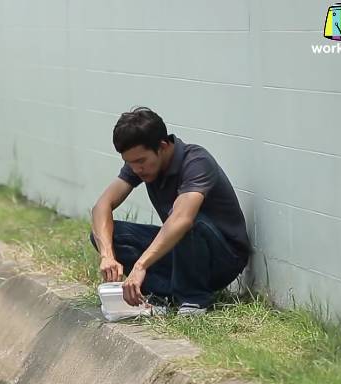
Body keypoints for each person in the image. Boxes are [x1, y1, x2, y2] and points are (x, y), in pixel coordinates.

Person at [89, 107, 250, 315]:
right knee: (108, 235)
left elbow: (182, 219)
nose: (136, 169)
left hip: (222, 258)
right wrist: (107, 255)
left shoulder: (196, 162)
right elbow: (102, 206)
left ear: (163, 146)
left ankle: (193, 299)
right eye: (129, 163)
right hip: (183, 250)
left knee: (184, 220)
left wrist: (140, 266)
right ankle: (167, 294)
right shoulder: (140, 164)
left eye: (140, 161)